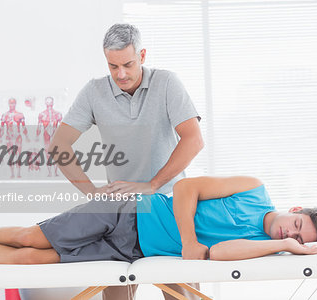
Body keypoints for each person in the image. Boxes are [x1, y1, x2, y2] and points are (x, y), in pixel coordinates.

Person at [46, 23, 203, 299]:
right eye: (113, 66)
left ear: (142, 56)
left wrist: (152, 185)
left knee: (181, 294)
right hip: (120, 218)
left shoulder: (166, 84)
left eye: (128, 65)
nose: (121, 74)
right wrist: (93, 194)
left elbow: (193, 139)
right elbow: (59, 145)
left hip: (168, 213)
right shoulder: (94, 92)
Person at [0, 176, 317, 266]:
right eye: (294, 227)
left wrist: (282, 247)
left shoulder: (263, 245)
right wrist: (188, 239)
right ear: (295, 210)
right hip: (131, 210)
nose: (287, 233)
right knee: (32, 237)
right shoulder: (253, 190)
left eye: (297, 239)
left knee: (31, 259)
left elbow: (215, 253)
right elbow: (185, 190)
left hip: (131, 250)